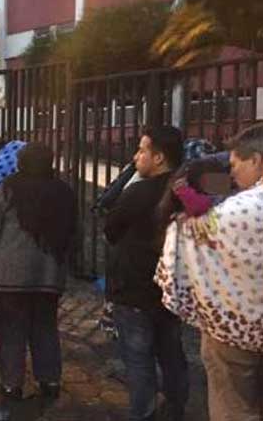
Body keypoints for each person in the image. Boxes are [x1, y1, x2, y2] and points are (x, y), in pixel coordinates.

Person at [155, 124, 263, 421]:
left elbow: (188, 238)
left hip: (235, 327)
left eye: (235, 165)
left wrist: (179, 220)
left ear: (255, 160)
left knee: (234, 406)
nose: (232, 174)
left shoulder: (238, 209)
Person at [0, 143, 77, 400]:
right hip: (49, 275)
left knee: (11, 330)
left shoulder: (7, 188)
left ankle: (12, 383)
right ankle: (49, 380)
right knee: (46, 327)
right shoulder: (64, 192)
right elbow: (75, 232)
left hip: (9, 276)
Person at [104, 126, 188, 421]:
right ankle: (177, 405)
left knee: (138, 358)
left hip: (136, 287)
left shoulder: (139, 191)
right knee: (171, 351)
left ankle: (143, 413)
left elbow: (110, 228)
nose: (135, 156)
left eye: (142, 150)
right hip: (174, 289)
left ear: (159, 157)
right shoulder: (189, 191)